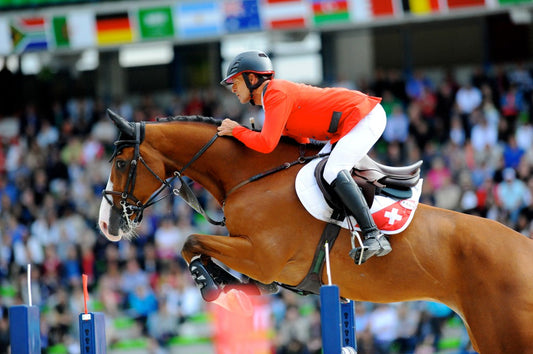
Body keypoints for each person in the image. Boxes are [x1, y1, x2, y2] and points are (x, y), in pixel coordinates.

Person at [217, 50, 391, 264]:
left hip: (364, 116)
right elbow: (300, 144)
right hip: (348, 124)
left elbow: (266, 143)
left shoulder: (275, 93)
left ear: (251, 78)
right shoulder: (272, 99)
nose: (232, 88)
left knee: (332, 171)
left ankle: (374, 235)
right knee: (314, 173)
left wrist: (236, 131)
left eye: (235, 82)